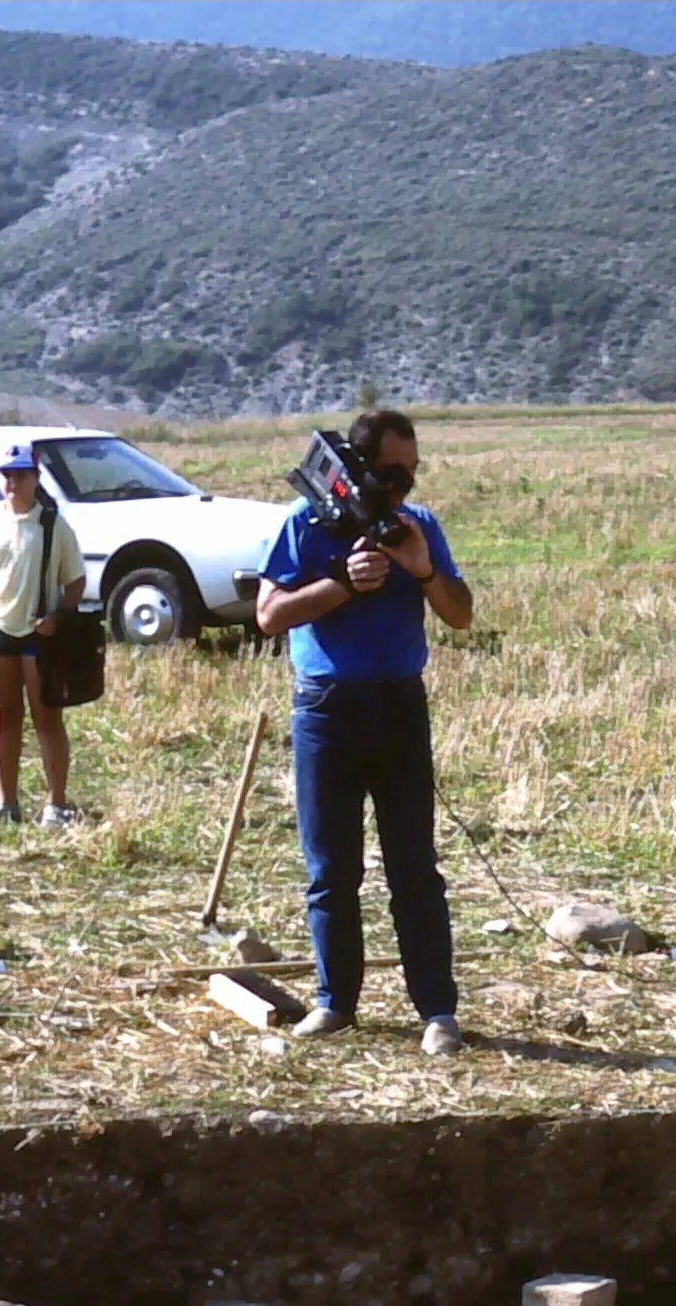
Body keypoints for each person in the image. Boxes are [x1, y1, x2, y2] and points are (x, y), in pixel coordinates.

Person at [255, 410, 475, 1056]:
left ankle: (437, 1010)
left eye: (411, 475)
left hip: (401, 708)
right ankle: (335, 1003)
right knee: (332, 870)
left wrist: (423, 568)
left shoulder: (420, 528)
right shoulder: (303, 527)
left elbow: (461, 616)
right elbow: (269, 615)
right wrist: (340, 586)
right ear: (356, 469)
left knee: (415, 869)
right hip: (327, 712)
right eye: (389, 475)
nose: (401, 489)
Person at [0, 439, 83, 827]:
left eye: (21, 475)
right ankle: (6, 802)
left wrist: (57, 616)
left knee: (48, 719)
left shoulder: (53, 525)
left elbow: (76, 582)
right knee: (5, 716)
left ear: (35, 477)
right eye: (6, 475)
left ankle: (56, 804)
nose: (13, 482)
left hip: (39, 635)